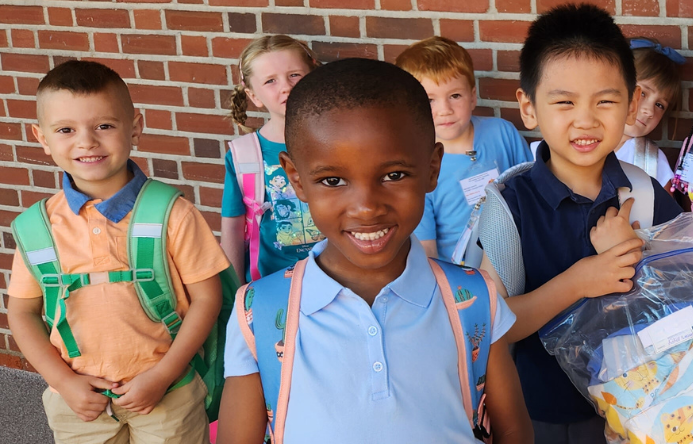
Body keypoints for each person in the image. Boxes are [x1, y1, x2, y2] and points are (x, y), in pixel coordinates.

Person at [217, 58, 533, 444]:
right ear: (296, 179)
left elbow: (514, 430)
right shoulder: (258, 312)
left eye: (393, 175)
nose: (366, 206)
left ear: (432, 168)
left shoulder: (473, 297)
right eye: (333, 180)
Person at [478, 4, 683, 443]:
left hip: (640, 408)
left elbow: (681, 298)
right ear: (529, 108)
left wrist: (636, 250)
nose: (586, 119)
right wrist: (580, 280)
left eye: (605, 101)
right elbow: (496, 323)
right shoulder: (507, 204)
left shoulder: (645, 195)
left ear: (629, 105)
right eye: (564, 102)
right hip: (539, 413)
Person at [7, 60, 230, 444]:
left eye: (104, 126)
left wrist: (163, 375)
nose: (87, 142)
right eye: (65, 130)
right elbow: (22, 313)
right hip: (79, 399)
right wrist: (63, 381)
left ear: (135, 127)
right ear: (41, 138)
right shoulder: (36, 228)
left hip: (167, 392)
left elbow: (207, 298)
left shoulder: (171, 214)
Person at [395, 36, 532, 265]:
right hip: (461, 280)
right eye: (429, 100)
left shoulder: (502, 132)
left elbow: (534, 192)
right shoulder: (417, 165)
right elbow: (426, 250)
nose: (444, 110)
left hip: (519, 260)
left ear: (472, 96)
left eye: (455, 96)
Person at [221, 35, 323, 284]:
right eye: (270, 81)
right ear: (254, 95)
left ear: (314, 74)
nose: (286, 87)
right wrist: (235, 292)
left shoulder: (341, 140)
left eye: (294, 75)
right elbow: (232, 228)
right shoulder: (245, 155)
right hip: (271, 284)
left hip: (337, 278)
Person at [614, 37, 685, 192]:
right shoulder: (580, 141)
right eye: (643, 93)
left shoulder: (652, 161)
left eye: (659, 105)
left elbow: (670, 216)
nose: (649, 111)